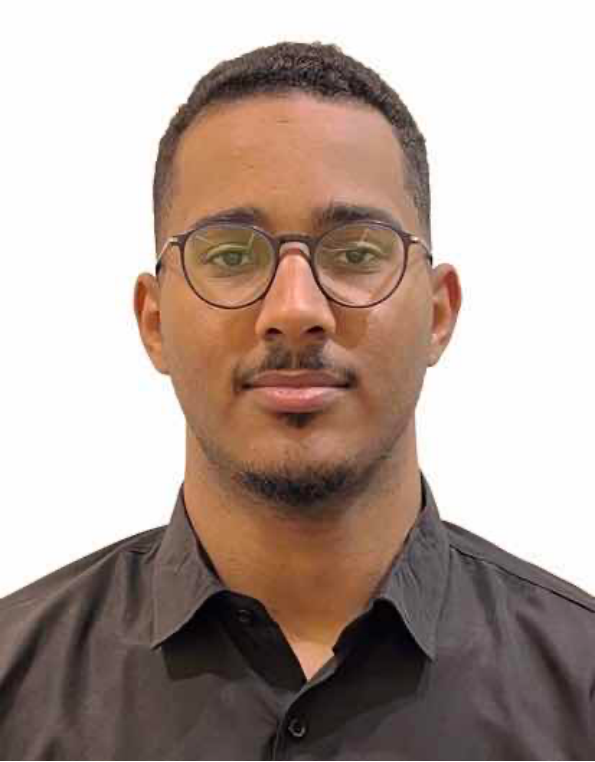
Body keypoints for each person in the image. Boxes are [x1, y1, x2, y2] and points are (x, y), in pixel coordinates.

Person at [1, 41, 593, 762]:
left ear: (438, 314)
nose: (293, 309)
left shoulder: (580, 688)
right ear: (154, 323)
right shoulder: (16, 691)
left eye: (355, 252)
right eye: (229, 255)